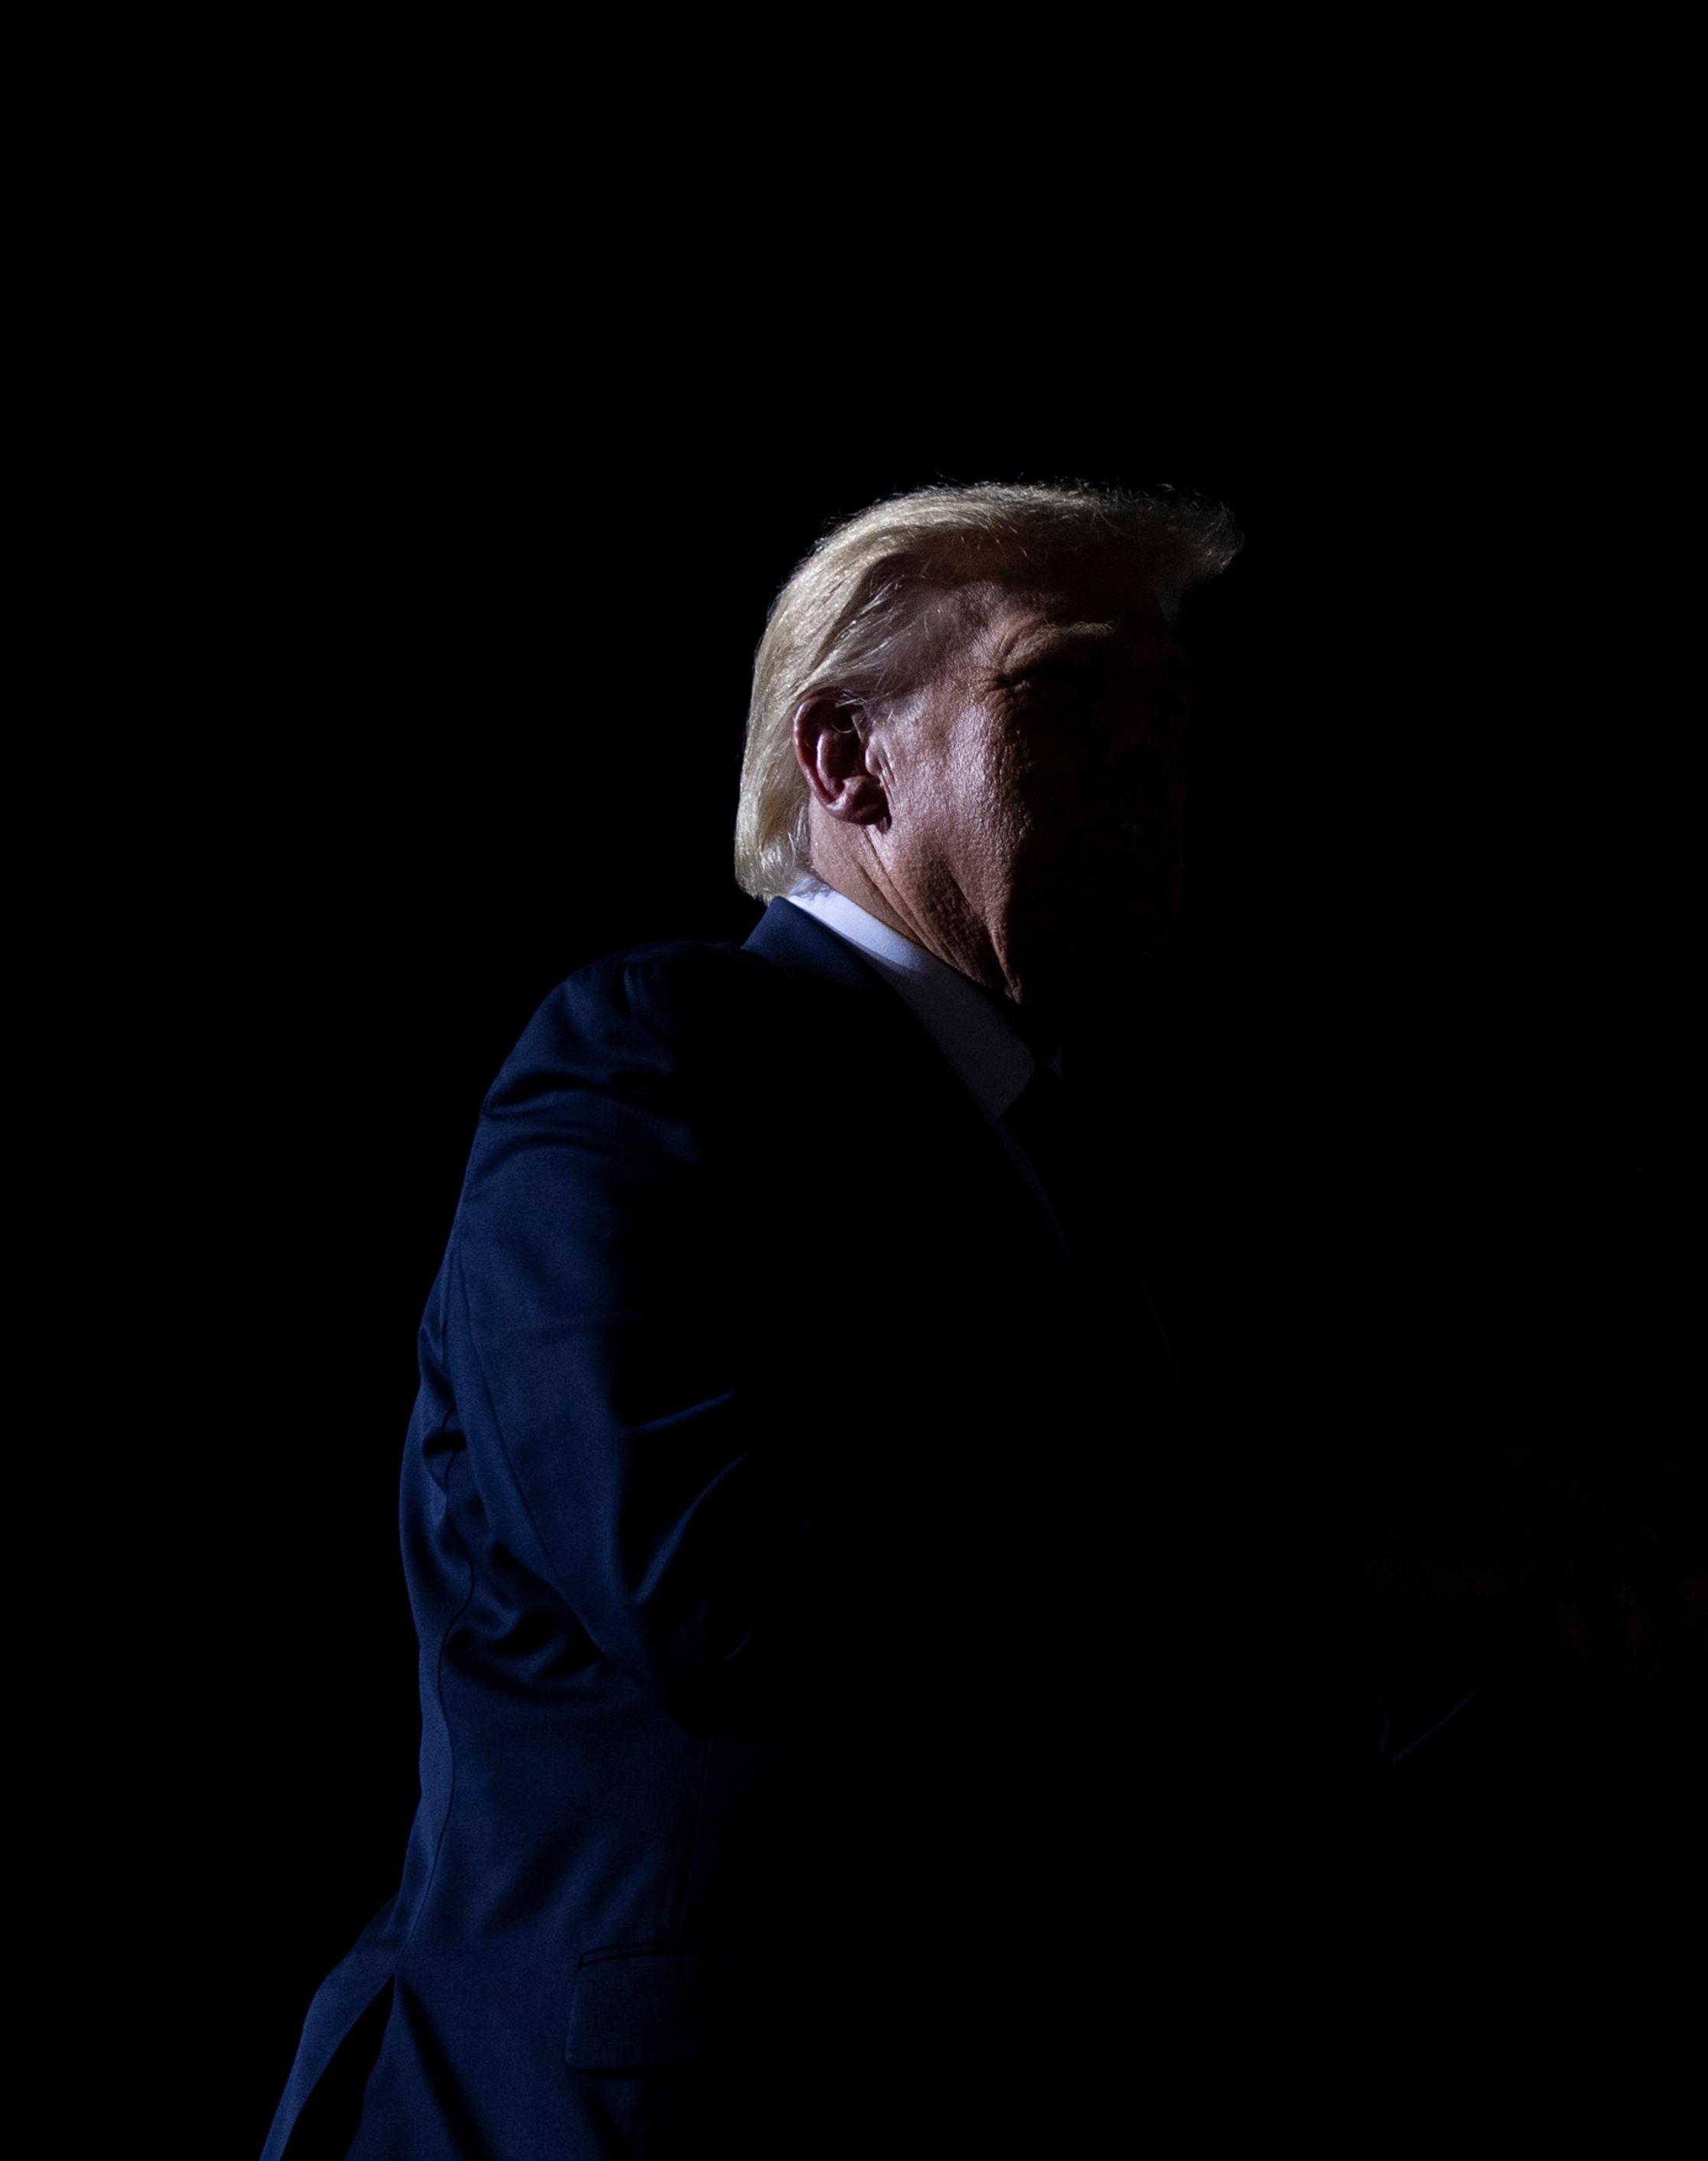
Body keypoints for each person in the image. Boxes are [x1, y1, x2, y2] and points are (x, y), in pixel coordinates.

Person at [260, 483, 1263, 2159]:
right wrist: (1308, 1555)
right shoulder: (656, 1058)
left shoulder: (1099, 1183)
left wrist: (1473, 1642)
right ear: (846, 760)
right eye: (1067, 688)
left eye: (1167, 711)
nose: (1148, 751)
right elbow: (704, 1573)